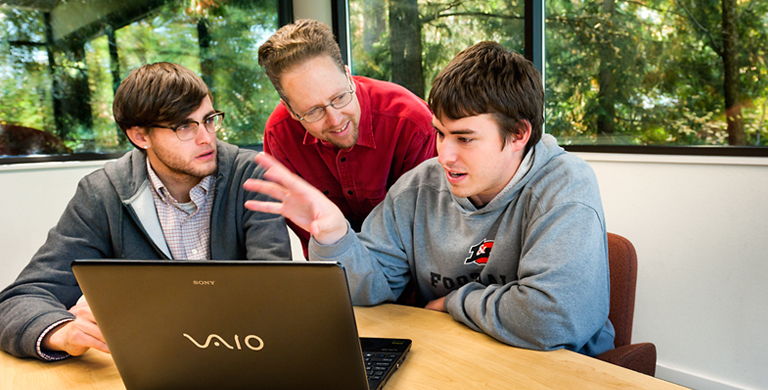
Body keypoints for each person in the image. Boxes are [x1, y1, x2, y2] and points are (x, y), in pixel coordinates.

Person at [244, 41, 615, 356]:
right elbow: (366, 288)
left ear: (518, 135)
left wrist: (455, 302)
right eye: (440, 134)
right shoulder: (420, 186)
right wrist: (334, 236)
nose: (444, 155)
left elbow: (553, 320)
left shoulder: (565, 186)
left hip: (559, 366)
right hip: (459, 353)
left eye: (464, 138)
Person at [0, 62, 291, 361]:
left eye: (209, 120)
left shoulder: (252, 175)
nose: (206, 137)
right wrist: (60, 331)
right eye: (185, 127)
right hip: (151, 365)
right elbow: (20, 299)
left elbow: (276, 293)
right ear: (140, 137)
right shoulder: (102, 194)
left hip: (245, 358)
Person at [257, 19, 436, 258]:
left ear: (348, 75)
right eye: (313, 111)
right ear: (290, 110)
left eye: (340, 97)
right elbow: (312, 237)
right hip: (336, 271)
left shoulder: (412, 123)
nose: (335, 120)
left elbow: (424, 234)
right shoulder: (279, 135)